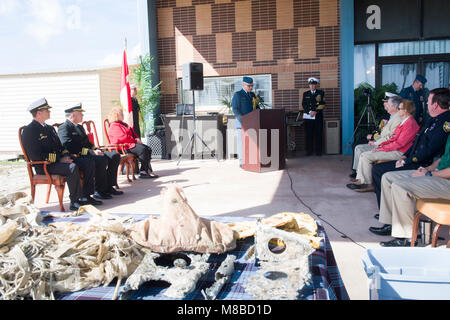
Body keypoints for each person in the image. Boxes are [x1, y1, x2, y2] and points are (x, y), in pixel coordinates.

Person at [370, 87, 450, 213]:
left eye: (429, 100)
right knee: (378, 170)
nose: (427, 103)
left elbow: (431, 150)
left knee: (381, 172)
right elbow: (416, 142)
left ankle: (389, 216)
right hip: (416, 160)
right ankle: (386, 214)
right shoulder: (434, 120)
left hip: (421, 163)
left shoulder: (444, 123)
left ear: (435, 105)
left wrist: (408, 161)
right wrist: (404, 157)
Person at [369, 135, 450, 247]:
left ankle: (406, 237)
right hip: (438, 174)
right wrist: (428, 169)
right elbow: (444, 158)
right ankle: (391, 224)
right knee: (388, 177)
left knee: (401, 187)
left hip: (446, 181)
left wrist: (429, 174)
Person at [21, 98, 97, 210]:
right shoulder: (30, 130)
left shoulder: (49, 128)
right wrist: (59, 159)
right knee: (72, 167)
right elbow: (35, 155)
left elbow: (60, 147)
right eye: (47, 110)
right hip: (44, 165)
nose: (49, 112)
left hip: (56, 162)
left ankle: (84, 196)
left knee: (84, 162)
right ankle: (74, 201)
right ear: (38, 113)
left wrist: (66, 156)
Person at [347, 99, 420, 192]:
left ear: (405, 110)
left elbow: (399, 144)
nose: (398, 110)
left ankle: (367, 183)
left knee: (366, 156)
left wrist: (383, 148)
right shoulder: (405, 121)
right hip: (394, 149)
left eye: (399, 108)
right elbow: (393, 138)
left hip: (400, 152)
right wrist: (381, 146)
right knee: (365, 154)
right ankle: (362, 180)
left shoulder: (410, 124)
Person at [57, 103, 123, 199]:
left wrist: (95, 149)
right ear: (72, 115)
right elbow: (69, 146)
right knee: (100, 160)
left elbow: (88, 143)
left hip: (88, 153)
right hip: (79, 156)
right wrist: (89, 152)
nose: (82, 115)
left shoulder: (79, 127)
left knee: (114, 155)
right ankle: (99, 190)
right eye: (80, 113)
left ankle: (109, 186)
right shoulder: (64, 128)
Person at [349, 94, 403, 179]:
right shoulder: (392, 117)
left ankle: (364, 181)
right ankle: (358, 173)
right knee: (358, 147)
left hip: (387, 146)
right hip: (381, 142)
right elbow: (382, 132)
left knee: (363, 153)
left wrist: (376, 142)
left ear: (395, 107)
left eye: (388, 104)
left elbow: (391, 138)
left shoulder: (398, 119)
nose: (386, 106)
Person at [107, 107, 158, 179]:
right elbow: (122, 138)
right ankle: (143, 172)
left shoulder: (122, 124)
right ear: (116, 116)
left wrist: (137, 138)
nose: (123, 115)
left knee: (148, 149)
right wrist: (135, 140)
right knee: (143, 149)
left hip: (128, 144)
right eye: (121, 114)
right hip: (122, 147)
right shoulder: (114, 125)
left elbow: (131, 132)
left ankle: (147, 170)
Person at [231, 76, 258, 166]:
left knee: (251, 143)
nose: (250, 87)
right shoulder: (238, 94)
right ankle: (242, 162)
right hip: (242, 123)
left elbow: (256, 108)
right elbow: (235, 109)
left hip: (252, 123)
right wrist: (243, 120)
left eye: (252, 86)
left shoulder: (253, 95)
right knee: (242, 143)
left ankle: (250, 160)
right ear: (243, 84)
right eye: (248, 86)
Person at [302, 77, 326, 156]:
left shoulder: (321, 93)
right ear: (309, 85)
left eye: (313, 84)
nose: (312, 86)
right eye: (310, 85)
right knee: (309, 134)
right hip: (309, 117)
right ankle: (309, 151)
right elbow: (304, 104)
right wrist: (310, 112)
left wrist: (315, 112)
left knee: (318, 134)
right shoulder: (305, 94)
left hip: (318, 116)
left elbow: (322, 104)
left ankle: (318, 151)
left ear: (316, 85)